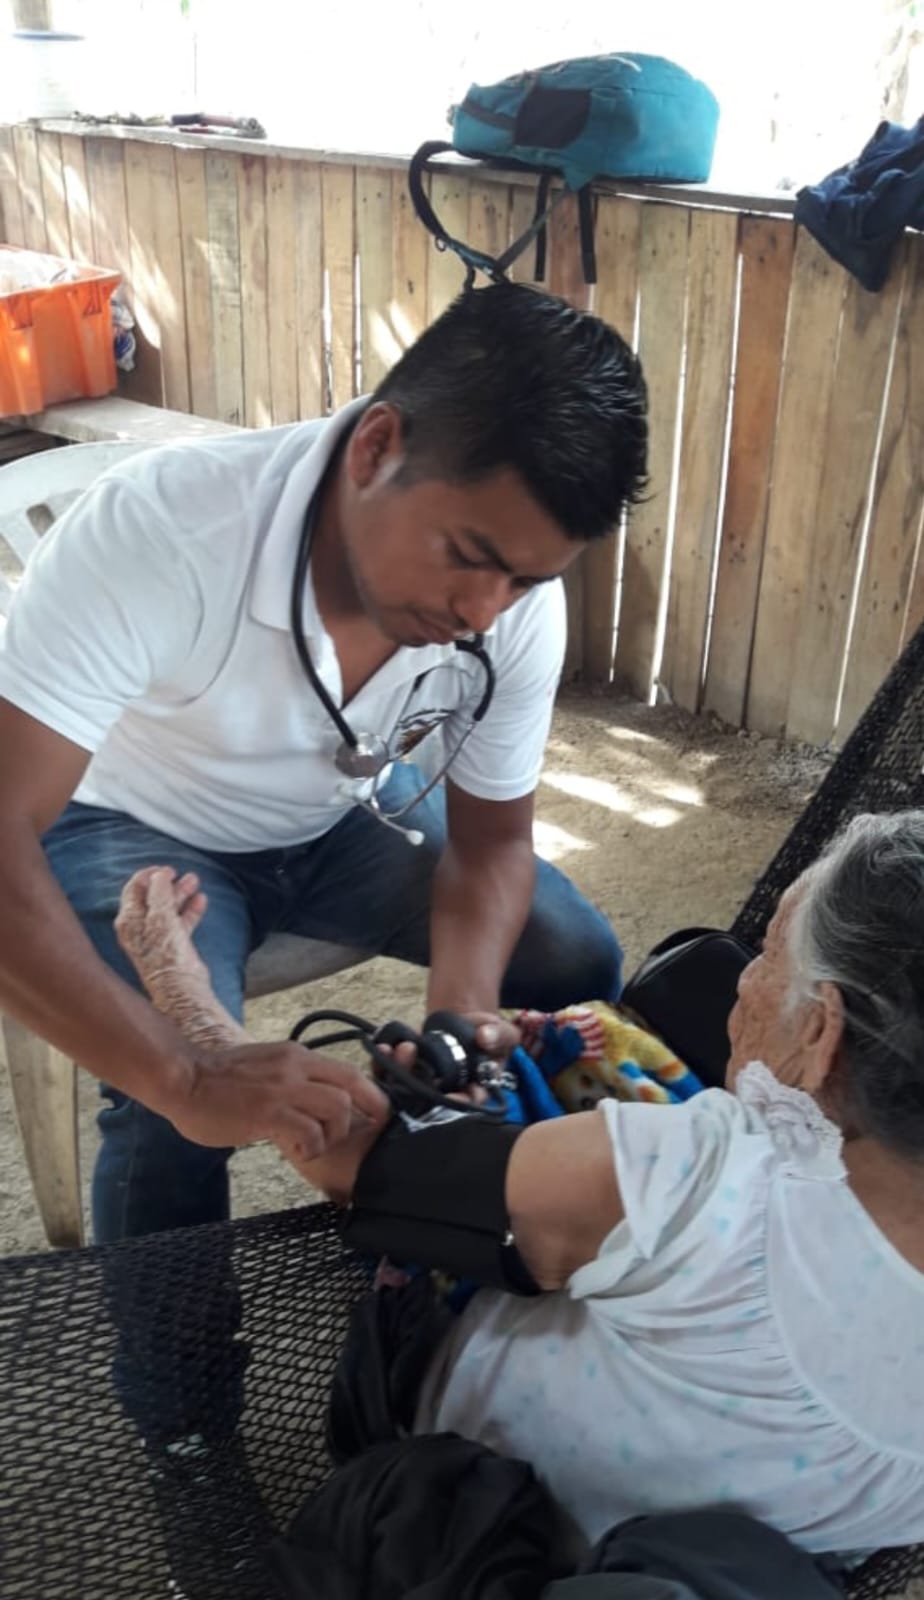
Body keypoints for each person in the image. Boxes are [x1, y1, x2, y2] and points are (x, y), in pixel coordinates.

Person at [0, 281, 647, 1244]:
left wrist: (459, 1024)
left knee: (573, 955)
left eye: (524, 579)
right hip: (135, 822)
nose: (482, 612)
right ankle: (172, 1346)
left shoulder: (512, 607)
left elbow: (493, 846)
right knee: (173, 1114)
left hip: (347, 811)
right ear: (375, 448)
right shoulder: (162, 532)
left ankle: (474, 1227)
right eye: (467, 555)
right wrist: (186, 1076)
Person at [115, 810, 924, 1556]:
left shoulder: (708, 1177)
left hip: (466, 1516)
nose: (745, 980)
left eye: (772, 957)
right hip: (742, 1554)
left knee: (451, 1105)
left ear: (822, 1032)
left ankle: (192, 1453)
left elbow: (354, 1163)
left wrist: (188, 1003)